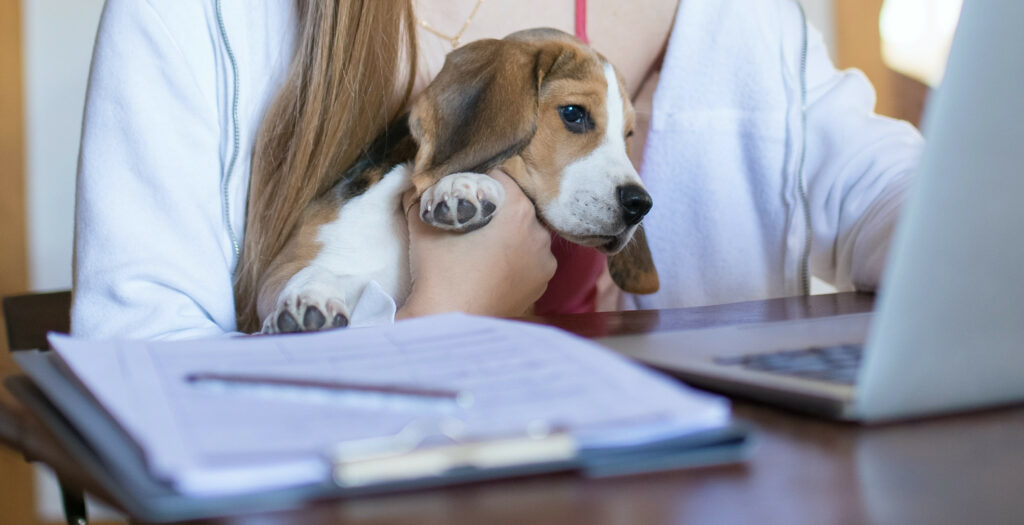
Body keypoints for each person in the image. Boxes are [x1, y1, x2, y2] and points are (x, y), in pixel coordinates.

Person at [71, 0, 922, 339]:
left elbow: (890, 193)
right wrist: (444, 314)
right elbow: (139, 375)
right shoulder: (195, 17)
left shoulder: (717, 16)